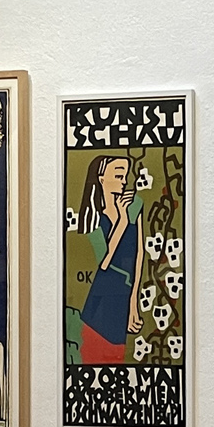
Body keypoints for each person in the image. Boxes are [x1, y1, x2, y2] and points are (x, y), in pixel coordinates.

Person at [71, 154, 142, 364]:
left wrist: (133, 303)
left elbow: (139, 255)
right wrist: (121, 221)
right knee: (97, 359)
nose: (124, 181)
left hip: (123, 297)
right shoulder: (91, 216)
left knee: (117, 359)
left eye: (125, 175)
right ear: (101, 178)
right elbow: (104, 261)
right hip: (99, 303)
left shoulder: (134, 206)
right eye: (119, 175)